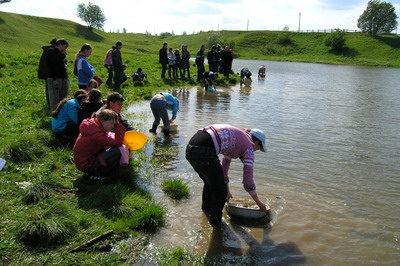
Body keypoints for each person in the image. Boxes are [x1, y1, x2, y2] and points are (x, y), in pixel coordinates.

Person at [185, 124, 268, 226]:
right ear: (256, 142)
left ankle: (206, 212)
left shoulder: (238, 139)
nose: (255, 150)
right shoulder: (249, 146)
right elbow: (248, 182)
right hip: (205, 150)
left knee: (210, 184)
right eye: (259, 148)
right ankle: (216, 224)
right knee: (220, 192)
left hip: (191, 149)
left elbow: (223, 171)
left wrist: (227, 190)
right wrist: (259, 204)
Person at [73, 109, 126, 180]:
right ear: (103, 121)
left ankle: (102, 170)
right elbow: (118, 143)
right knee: (117, 150)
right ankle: (98, 175)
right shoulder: (97, 136)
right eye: (111, 123)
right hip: (87, 165)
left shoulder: (92, 125)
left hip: (84, 161)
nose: (113, 126)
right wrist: (118, 125)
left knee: (111, 142)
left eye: (114, 124)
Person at [46, 38, 69, 111]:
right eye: (64, 47)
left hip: (63, 77)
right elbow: (54, 63)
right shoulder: (51, 51)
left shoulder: (61, 54)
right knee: (55, 98)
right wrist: (62, 55)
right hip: (55, 78)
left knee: (63, 97)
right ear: (59, 45)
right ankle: (55, 114)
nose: (65, 49)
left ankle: (62, 113)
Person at [38, 37, 57, 108]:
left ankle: (49, 103)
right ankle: (51, 103)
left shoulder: (47, 50)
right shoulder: (52, 51)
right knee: (52, 89)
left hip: (47, 73)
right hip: (50, 73)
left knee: (48, 88)